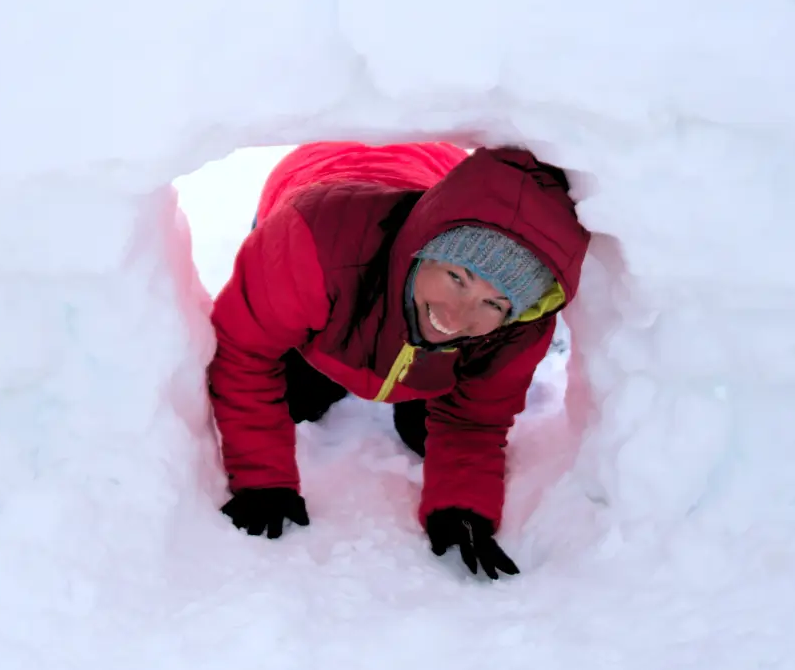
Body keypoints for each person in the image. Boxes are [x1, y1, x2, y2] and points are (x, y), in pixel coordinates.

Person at [207, 141, 590, 579]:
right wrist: (262, 479)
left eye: (493, 303)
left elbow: (475, 416)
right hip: (320, 184)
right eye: (456, 278)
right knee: (297, 390)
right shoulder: (307, 241)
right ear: (427, 244)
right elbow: (243, 351)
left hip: (430, 167)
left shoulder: (518, 325)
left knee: (421, 428)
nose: (456, 314)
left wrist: (462, 503)